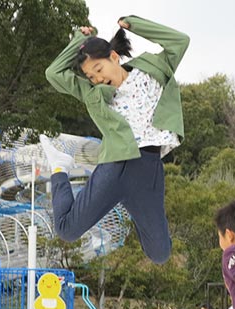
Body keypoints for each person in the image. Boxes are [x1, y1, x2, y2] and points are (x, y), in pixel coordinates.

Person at [40, 15, 189, 264]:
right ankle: (60, 167)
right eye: (90, 76)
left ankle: (134, 207)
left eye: (98, 70)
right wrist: (80, 39)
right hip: (116, 166)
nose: (96, 79)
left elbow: (180, 42)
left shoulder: (152, 69)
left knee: (160, 254)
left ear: (114, 57)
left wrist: (136, 25)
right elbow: (53, 73)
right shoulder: (94, 94)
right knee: (67, 230)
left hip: (149, 169)